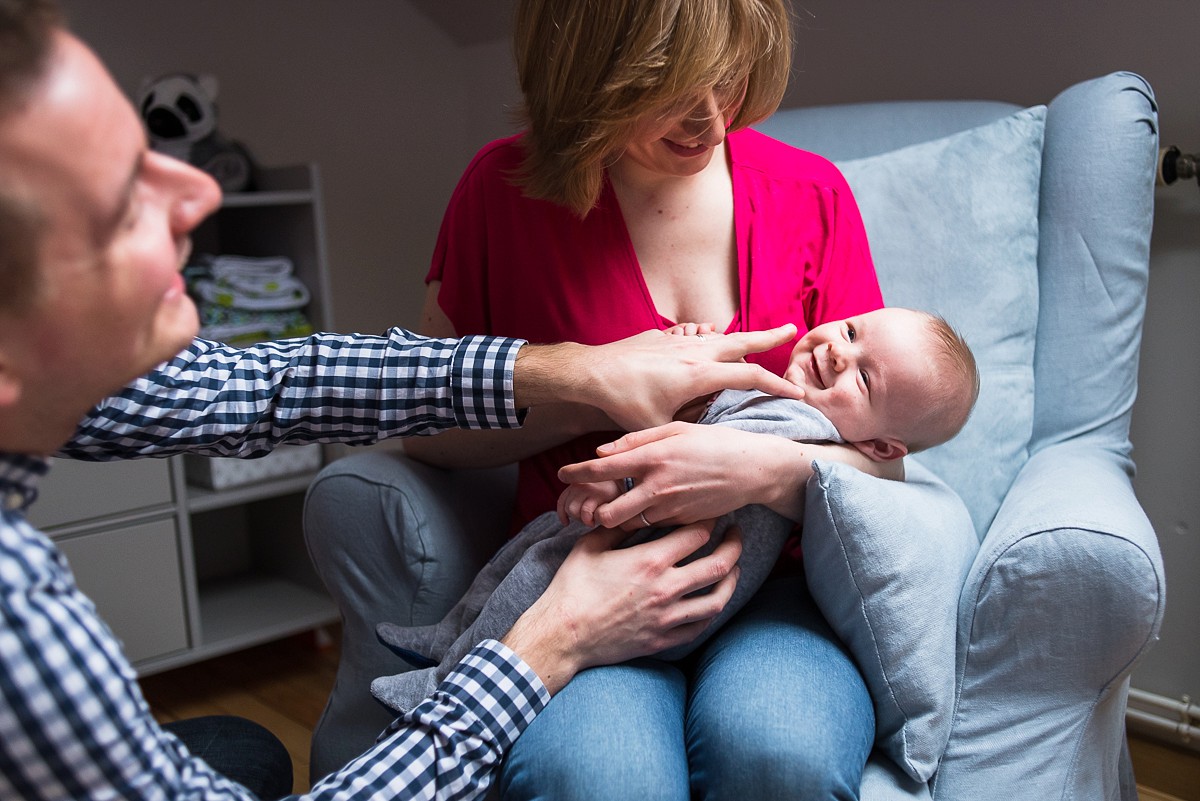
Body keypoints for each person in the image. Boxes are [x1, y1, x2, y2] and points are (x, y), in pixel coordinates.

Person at [0, 2, 817, 799]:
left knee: (242, 749)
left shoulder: (806, 191)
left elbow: (262, 385)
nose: (200, 194)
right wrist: (549, 640)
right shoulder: (15, 609)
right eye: (120, 205)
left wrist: (570, 371)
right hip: (578, 588)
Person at [363, 0, 902, 797]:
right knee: (595, 778)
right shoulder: (501, 191)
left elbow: (886, 468)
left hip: (781, 594)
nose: (711, 118)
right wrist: (599, 390)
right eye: (671, 86)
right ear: (588, 71)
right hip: (587, 581)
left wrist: (753, 470)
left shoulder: (811, 195)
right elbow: (428, 427)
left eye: (730, 78)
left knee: (779, 755)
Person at [369, 307, 978, 714]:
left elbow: (679, 466)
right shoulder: (796, 412)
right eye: (850, 331)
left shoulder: (798, 421)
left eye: (866, 381)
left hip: (650, 562)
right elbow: (700, 430)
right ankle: (449, 637)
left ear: (879, 446)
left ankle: (444, 682)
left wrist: (612, 488)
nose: (838, 354)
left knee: (532, 574)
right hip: (666, 561)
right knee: (527, 554)